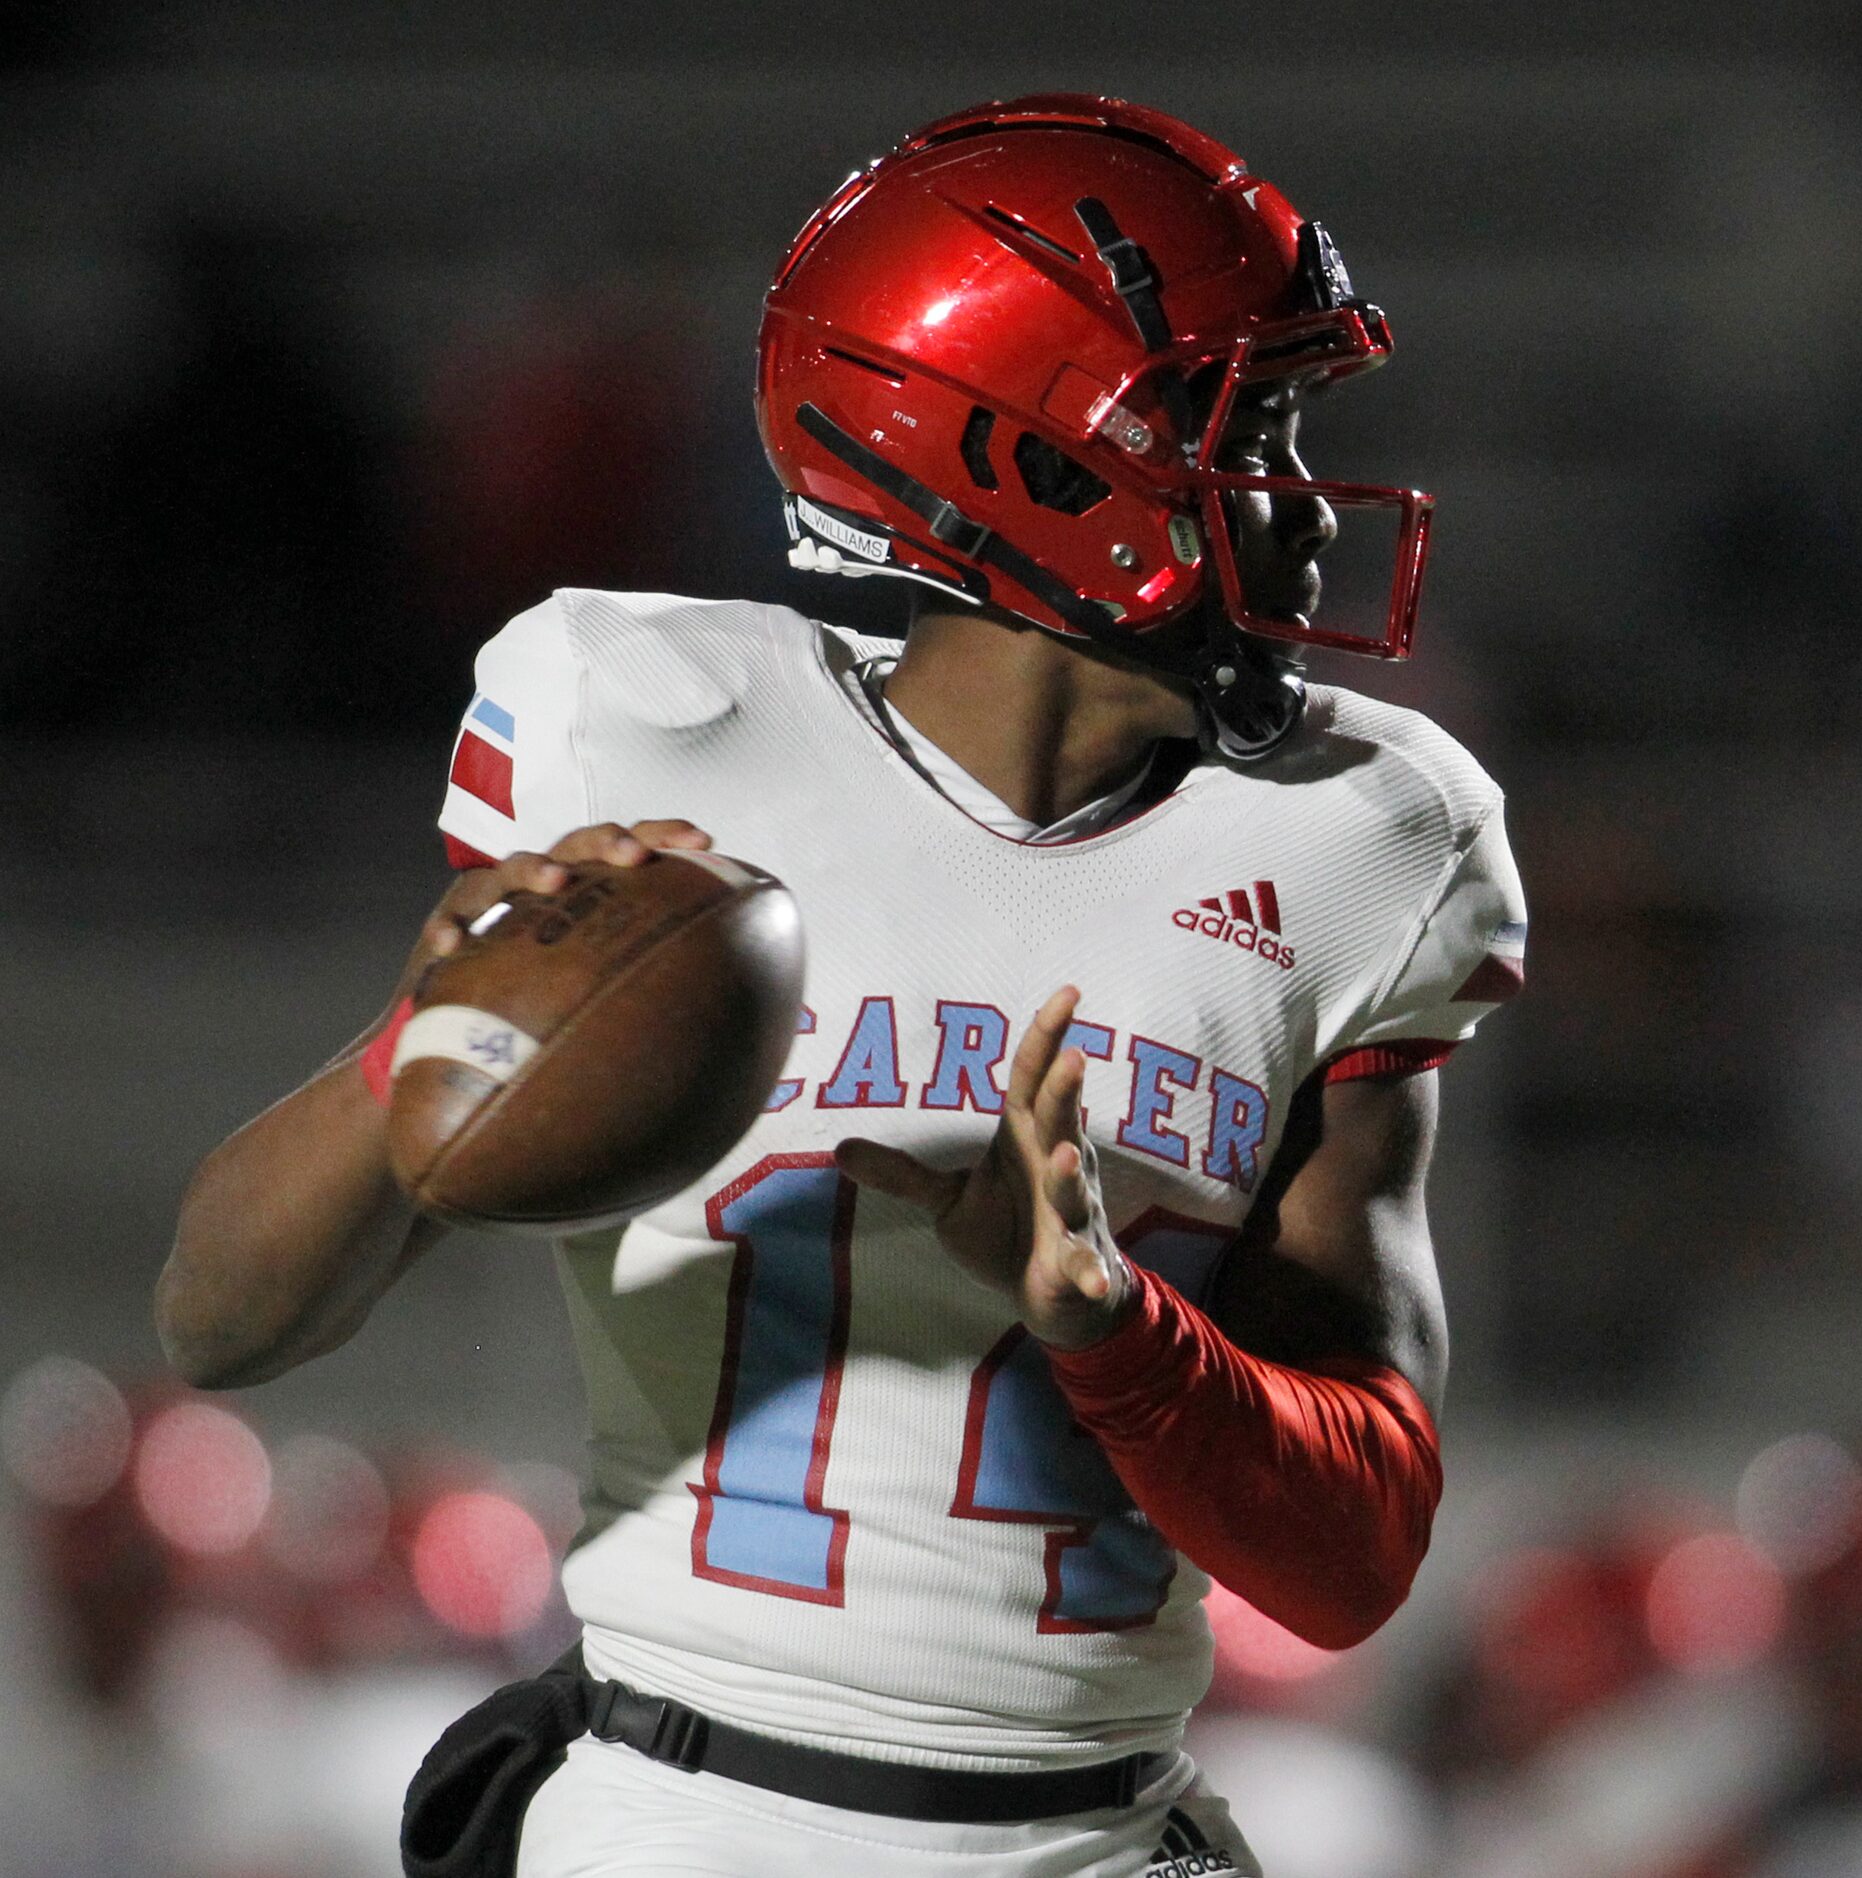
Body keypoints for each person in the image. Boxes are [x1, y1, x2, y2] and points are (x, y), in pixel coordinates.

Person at [157, 94, 1527, 1878]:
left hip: (1097, 1840)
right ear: (1031, 456)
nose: (1299, 499)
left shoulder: (1369, 833)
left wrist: (1106, 1325)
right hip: (679, 1813)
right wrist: (434, 1045)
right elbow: (219, 1321)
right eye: (1242, 425)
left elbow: (1349, 1564)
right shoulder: (650, 736)